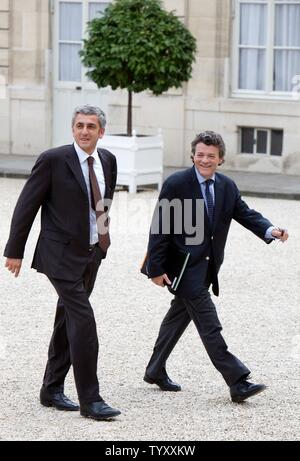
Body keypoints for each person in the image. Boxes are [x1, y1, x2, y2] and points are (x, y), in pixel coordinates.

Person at [143, 131, 289, 403]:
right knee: (210, 325)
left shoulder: (226, 186)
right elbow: (160, 225)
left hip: (208, 267)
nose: (205, 160)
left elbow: (245, 214)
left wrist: (270, 230)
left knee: (178, 318)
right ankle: (237, 380)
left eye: (211, 156)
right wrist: (155, 267)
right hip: (183, 268)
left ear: (220, 158)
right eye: (200, 155)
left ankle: (154, 369)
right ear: (192, 155)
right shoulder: (177, 183)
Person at [4, 104, 121, 420]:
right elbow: (27, 205)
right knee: (83, 321)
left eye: (91, 127)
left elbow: (104, 202)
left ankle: (51, 389)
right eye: (80, 125)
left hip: (92, 254)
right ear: (73, 129)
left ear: (101, 132)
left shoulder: (108, 160)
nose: (85, 131)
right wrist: (15, 251)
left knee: (65, 319)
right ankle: (91, 400)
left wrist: (104, 241)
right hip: (59, 255)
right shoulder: (54, 160)